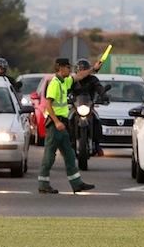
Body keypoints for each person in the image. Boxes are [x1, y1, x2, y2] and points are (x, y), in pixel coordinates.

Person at [38, 57, 100, 194]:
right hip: (55, 125)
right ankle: (43, 184)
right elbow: (48, 104)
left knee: (70, 154)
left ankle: (77, 184)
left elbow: (79, 76)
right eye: (67, 67)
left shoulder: (64, 81)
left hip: (62, 124)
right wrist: (56, 121)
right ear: (60, 68)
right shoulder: (54, 83)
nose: (70, 69)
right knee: (49, 156)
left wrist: (93, 69)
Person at [71, 58, 107, 156]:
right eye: (80, 69)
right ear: (77, 70)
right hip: (75, 106)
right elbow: (66, 89)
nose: (82, 71)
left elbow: (99, 87)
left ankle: (97, 144)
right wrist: (65, 97)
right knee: (69, 119)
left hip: (89, 106)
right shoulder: (73, 80)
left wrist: (103, 95)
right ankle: (70, 143)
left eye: (84, 69)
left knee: (97, 120)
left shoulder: (93, 79)